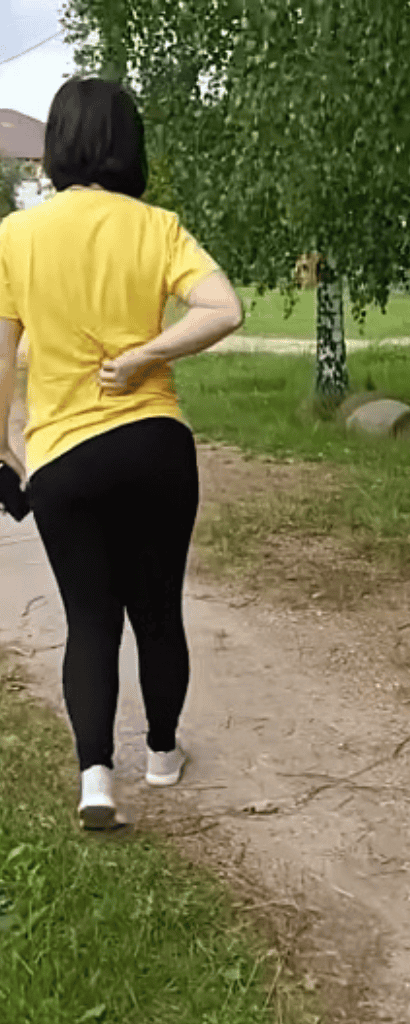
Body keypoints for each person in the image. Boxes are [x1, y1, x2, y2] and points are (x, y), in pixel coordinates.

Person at [0, 77, 244, 831]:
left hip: (64, 457)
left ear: (56, 147)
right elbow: (224, 309)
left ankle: (97, 781)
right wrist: (145, 356)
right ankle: (163, 757)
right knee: (158, 611)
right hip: (155, 445)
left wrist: (5, 448)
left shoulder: (15, 236)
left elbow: (1, 359)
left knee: (90, 619)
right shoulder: (158, 227)